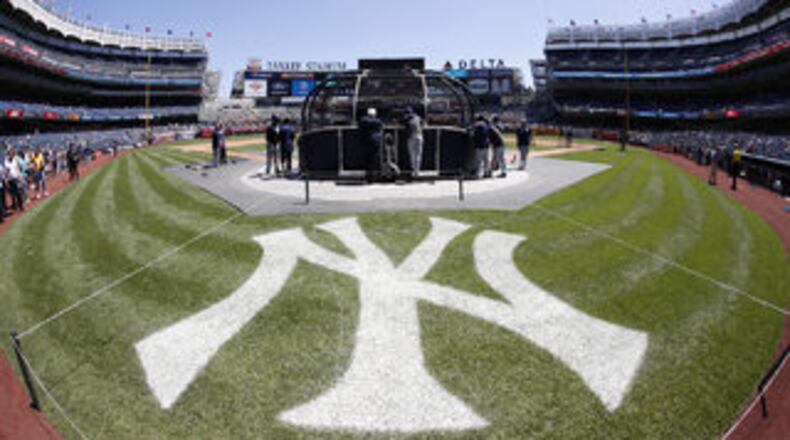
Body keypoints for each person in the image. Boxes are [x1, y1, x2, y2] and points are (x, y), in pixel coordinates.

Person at [359, 108, 384, 182]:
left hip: (366, 142)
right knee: (374, 160)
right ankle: (373, 177)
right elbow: (381, 124)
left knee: (367, 159)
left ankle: (368, 176)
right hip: (375, 142)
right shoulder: (378, 121)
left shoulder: (363, 120)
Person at [4, 147, 24, 212]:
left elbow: (20, 168)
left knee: (18, 192)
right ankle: (15, 206)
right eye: (9, 152)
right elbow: (5, 171)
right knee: (12, 194)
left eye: (11, 152)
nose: (10, 153)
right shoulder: (6, 160)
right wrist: (6, 179)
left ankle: (21, 206)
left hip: (16, 178)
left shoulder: (16, 159)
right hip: (10, 179)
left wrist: (20, 176)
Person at [405, 108, 424, 177]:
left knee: (412, 154)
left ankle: (413, 171)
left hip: (411, 136)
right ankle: (417, 171)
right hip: (419, 135)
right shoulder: (418, 117)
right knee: (418, 154)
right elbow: (423, 124)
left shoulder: (407, 119)